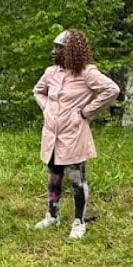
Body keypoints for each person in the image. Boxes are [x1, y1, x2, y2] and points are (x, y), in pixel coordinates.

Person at [31, 29, 120, 239]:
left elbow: (111, 90)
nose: (53, 52)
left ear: (71, 50)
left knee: (76, 177)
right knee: (54, 175)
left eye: (59, 48)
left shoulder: (87, 73)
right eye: (54, 47)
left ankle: (79, 221)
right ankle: (52, 215)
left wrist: (86, 111)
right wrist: (47, 108)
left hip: (72, 134)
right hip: (51, 134)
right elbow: (38, 91)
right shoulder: (51, 72)